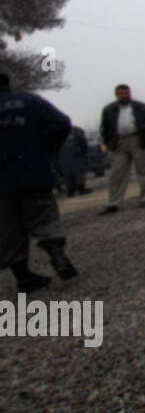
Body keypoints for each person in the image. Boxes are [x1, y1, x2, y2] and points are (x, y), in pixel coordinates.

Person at [0, 72, 79, 292]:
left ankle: (23, 277)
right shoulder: (30, 101)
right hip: (34, 172)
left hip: (2, 183)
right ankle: (58, 257)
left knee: (8, 228)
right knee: (45, 218)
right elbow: (62, 123)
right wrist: (46, 149)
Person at [98, 83, 145, 214]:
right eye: (122, 93)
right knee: (117, 174)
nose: (125, 96)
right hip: (119, 143)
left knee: (143, 170)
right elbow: (104, 129)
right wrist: (109, 144)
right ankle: (114, 202)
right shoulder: (109, 110)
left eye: (127, 93)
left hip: (138, 140)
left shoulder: (141, 107)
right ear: (117, 95)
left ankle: (144, 198)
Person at [58, 125, 90, 196]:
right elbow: (84, 144)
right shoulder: (77, 131)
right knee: (78, 173)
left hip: (64, 156)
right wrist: (82, 152)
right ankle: (80, 189)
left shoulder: (58, 132)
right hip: (76, 155)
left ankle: (70, 191)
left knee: (68, 174)